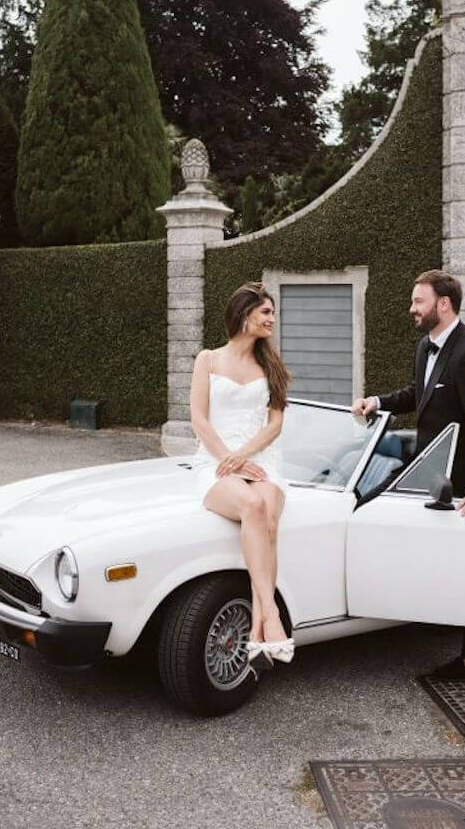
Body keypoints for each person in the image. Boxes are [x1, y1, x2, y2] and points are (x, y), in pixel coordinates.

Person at [351, 269, 465, 679]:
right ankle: (438, 616)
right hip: (432, 472)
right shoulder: (426, 346)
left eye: (418, 301)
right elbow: (418, 394)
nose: (412, 308)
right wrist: (377, 401)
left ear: (444, 304)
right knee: (438, 555)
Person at [189, 281, 294, 665]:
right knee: (251, 505)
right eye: (266, 311)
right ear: (244, 313)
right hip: (215, 461)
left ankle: (255, 633)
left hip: (263, 458)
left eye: (273, 312)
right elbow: (199, 419)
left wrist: (245, 456)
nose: (272, 318)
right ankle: (270, 614)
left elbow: (275, 424)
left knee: (269, 521)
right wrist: (229, 459)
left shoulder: (271, 365)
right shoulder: (208, 359)